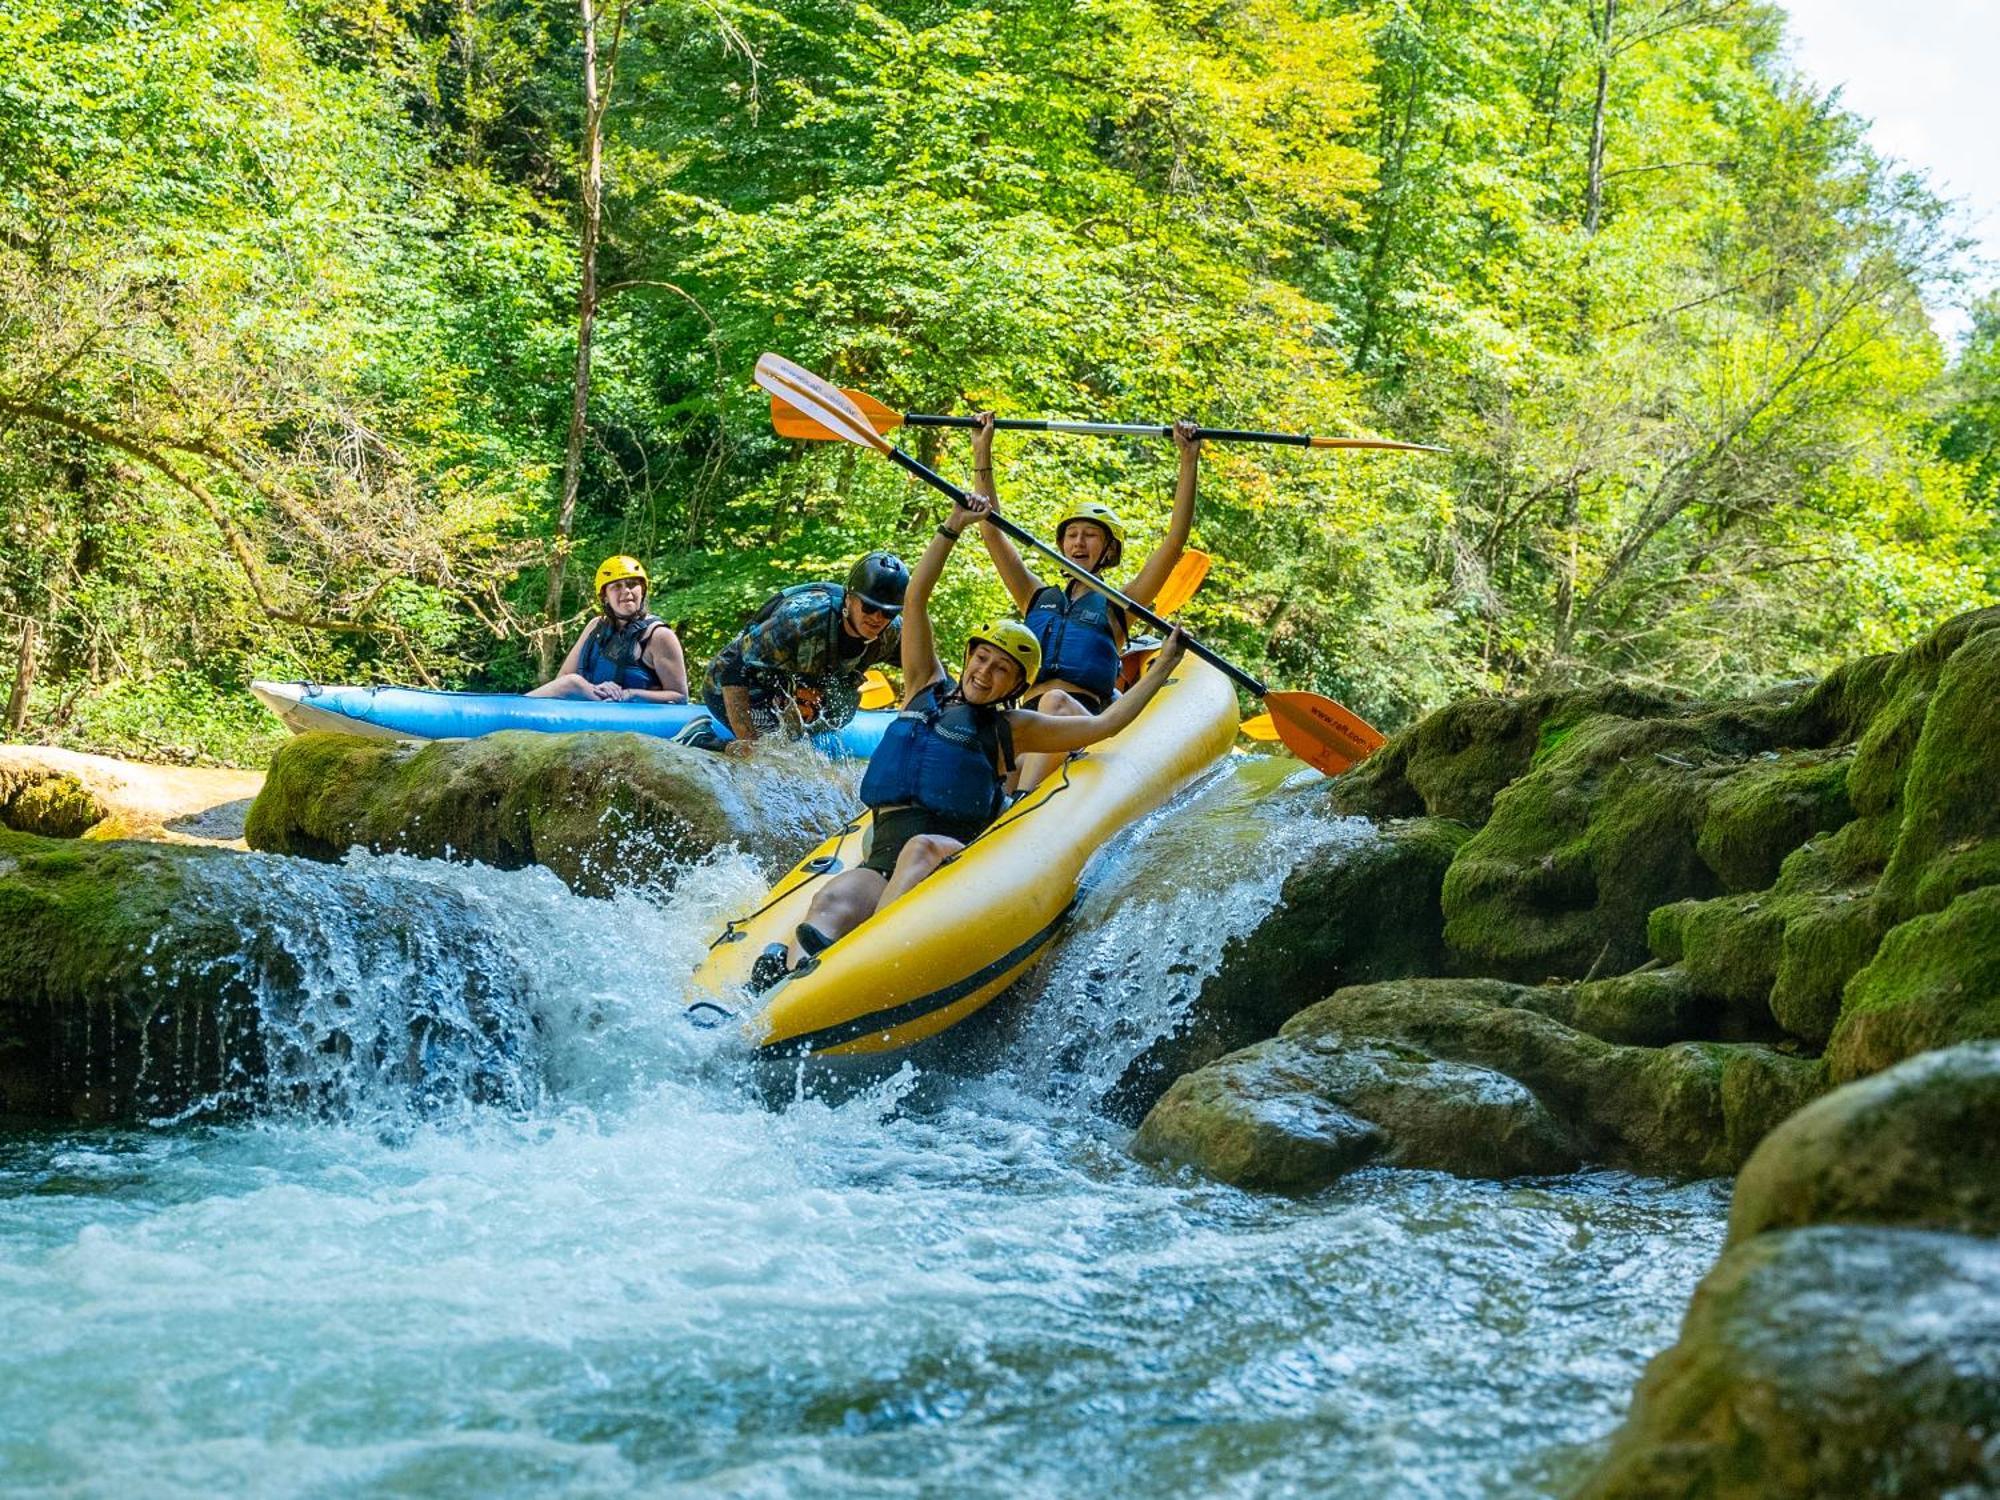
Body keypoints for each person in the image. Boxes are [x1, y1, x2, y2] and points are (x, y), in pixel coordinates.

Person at [747, 492, 1189, 994]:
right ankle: (784, 986)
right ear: (968, 657)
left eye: (1002, 669)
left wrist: (1165, 666)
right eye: (982, 659)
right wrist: (952, 526)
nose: (986, 672)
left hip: (950, 853)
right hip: (884, 855)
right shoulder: (923, 686)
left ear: (1017, 686)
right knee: (835, 898)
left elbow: (1105, 725)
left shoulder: (1013, 728)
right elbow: (915, 599)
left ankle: (852, 971)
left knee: (921, 847)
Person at [971, 412, 1201, 790]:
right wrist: (982, 450)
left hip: (1077, 717)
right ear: (1061, 544)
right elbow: (992, 531)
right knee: (997, 736)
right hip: (1025, 723)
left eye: (1090, 535)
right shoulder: (1035, 596)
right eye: (1072, 534)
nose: (1078, 542)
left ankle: (1020, 803)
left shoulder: (1121, 603)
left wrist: (1187, 458)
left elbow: (1175, 543)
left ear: (1108, 549)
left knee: (1055, 702)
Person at [700, 551, 908, 749]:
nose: (877, 618)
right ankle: (705, 740)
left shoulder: (892, 632)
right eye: (869, 607)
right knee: (766, 751)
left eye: (888, 612)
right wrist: (749, 745)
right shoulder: (802, 619)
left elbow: (924, 672)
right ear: (849, 598)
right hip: (731, 688)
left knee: (843, 703)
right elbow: (734, 671)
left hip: (793, 689)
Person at [530, 554, 688, 702]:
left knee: (574, 682)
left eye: (632, 584)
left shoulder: (659, 636)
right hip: (594, 710)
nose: (626, 591)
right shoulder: (595, 626)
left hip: (632, 715)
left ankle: (512, 708)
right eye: (616, 587)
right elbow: (563, 677)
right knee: (571, 681)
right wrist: (595, 689)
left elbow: (680, 696)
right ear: (605, 596)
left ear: (643, 590)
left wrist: (630, 694)